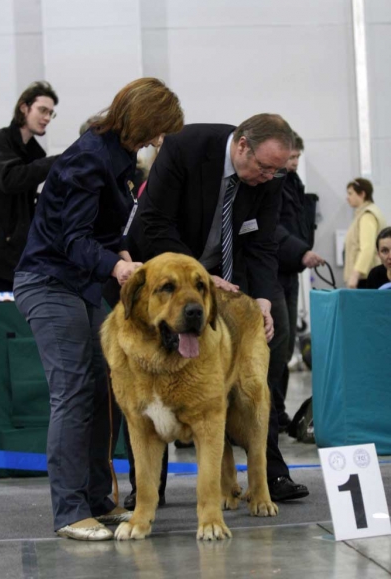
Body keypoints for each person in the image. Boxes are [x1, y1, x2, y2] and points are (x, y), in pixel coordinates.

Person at [13, 77, 184, 541]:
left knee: (101, 390)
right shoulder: (89, 158)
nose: (158, 139)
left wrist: (122, 254)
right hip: (49, 283)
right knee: (72, 391)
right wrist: (118, 267)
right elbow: (73, 239)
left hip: (80, 287)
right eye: (157, 129)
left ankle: (95, 500)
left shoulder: (120, 158)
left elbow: (104, 230)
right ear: (143, 119)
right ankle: (70, 511)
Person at [126, 113, 310, 506]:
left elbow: (262, 241)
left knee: (264, 369)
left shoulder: (268, 174)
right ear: (242, 145)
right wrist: (200, 277)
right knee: (150, 381)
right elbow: (153, 223)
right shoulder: (184, 147)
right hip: (171, 278)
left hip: (233, 280)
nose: (269, 177)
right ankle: (147, 490)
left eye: (276, 171)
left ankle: (268, 474)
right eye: (264, 167)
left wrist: (262, 298)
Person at [269, 131, 324, 432]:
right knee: (278, 344)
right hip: (273, 274)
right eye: (290, 157)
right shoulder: (272, 184)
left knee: (286, 345)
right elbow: (273, 229)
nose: (293, 163)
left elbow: (298, 225)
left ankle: (278, 412)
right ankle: (269, 413)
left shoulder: (293, 183)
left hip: (290, 273)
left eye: (297, 157)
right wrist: (301, 251)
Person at [0, 81, 59, 291]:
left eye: (51, 113)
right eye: (42, 110)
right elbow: (11, 179)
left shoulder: (35, 153)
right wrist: (58, 161)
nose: (47, 118)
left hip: (22, 258)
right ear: (24, 108)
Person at [344, 178, 386, 288]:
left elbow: (367, 247)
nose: (347, 198)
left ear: (362, 194)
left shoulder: (367, 216)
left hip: (365, 277)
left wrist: (355, 274)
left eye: (350, 193)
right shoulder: (364, 214)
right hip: (367, 275)